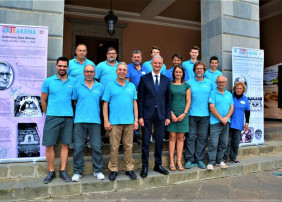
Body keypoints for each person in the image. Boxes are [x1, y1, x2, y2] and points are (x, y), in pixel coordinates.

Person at [41, 57, 77, 184]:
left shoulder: (74, 82)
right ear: (56, 66)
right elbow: (43, 100)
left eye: (64, 66)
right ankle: (51, 172)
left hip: (67, 117)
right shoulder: (48, 81)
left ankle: (63, 171)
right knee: (49, 145)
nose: (62, 68)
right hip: (52, 117)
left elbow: (75, 101)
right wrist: (48, 113)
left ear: (68, 67)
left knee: (65, 144)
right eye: (60, 66)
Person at [102, 62, 138, 181]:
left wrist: (136, 120)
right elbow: (105, 104)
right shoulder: (110, 86)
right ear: (116, 71)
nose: (122, 71)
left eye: (124, 70)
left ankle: (129, 168)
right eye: (120, 70)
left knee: (128, 146)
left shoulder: (131, 86)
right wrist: (106, 121)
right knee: (114, 147)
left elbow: (135, 104)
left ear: (126, 72)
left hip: (129, 122)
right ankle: (113, 169)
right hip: (114, 122)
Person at [138, 55, 171, 178]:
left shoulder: (166, 80)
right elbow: (140, 99)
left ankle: (158, 164)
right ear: (151, 64)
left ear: (162, 65)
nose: (157, 65)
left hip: (161, 114)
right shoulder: (144, 79)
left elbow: (168, 100)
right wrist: (140, 116)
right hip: (147, 114)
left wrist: (168, 116)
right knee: (146, 141)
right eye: (155, 63)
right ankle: (145, 166)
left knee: (159, 142)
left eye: (159, 63)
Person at [71, 64, 105, 182]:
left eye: (91, 71)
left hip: (95, 121)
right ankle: (77, 171)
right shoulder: (77, 86)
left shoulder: (100, 87)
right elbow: (74, 102)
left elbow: (101, 103)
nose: (89, 73)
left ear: (95, 73)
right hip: (80, 120)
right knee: (78, 147)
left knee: (96, 147)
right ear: (84, 73)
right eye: (87, 71)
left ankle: (98, 170)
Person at [184, 61, 213, 169]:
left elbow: (213, 99)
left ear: (204, 70)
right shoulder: (189, 83)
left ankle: (199, 159)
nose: (199, 70)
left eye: (201, 69)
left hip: (205, 115)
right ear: (194, 70)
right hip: (191, 114)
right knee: (190, 137)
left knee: (202, 138)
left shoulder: (210, 83)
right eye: (197, 69)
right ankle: (189, 159)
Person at [166, 66, 191, 171]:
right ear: (173, 73)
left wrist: (184, 113)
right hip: (172, 113)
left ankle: (179, 161)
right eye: (176, 72)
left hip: (183, 114)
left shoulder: (186, 86)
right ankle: (171, 161)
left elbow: (188, 101)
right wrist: (170, 113)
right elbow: (166, 100)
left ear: (183, 73)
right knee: (172, 137)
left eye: (180, 72)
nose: (178, 73)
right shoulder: (169, 85)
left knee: (181, 138)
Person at [207, 75, 234, 171]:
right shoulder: (213, 93)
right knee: (213, 143)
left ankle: (219, 161)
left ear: (226, 83)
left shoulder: (229, 94)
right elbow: (212, 107)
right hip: (215, 122)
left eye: (223, 82)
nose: (221, 84)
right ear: (216, 83)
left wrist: (226, 118)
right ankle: (211, 162)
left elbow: (232, 107)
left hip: (226, 122)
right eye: (219, 82)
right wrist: (221, 118)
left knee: (224, 143)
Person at [126, 50, 150, 142]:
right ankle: (134, 136)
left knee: (141, 114)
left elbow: (148, 81)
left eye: (138, 57)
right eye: (135, 57)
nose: (137, 59)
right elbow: (127, 82)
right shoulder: (128, 67)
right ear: (132, 58)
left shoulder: (145, 68)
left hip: (143, 96)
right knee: (133, 114)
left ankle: (141, 136)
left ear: (141, 57)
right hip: (132, 96)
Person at [224, 82, 250, 164]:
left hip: (238, 124)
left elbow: (247, 112)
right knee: (226, 142)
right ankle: (224, 158)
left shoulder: (245, 99)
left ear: (243, 90)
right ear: (234, 89)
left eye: (240, 88)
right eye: (237, 88)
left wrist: (247, 123)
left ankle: (233, 157)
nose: (238, 90)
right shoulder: (229, 96)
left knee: (235, 142)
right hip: (229, 122)